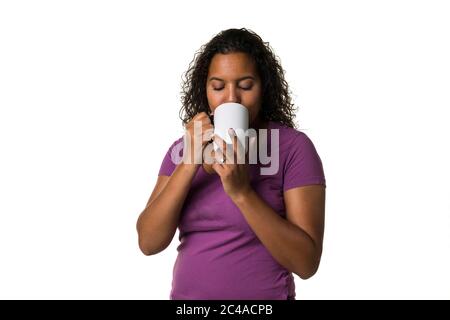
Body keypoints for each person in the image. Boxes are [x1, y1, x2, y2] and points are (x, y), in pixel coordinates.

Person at [136, 28, 326, 300]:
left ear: (264, 88)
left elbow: (306, 263)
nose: (231, 98)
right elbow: (148, 242)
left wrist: (242, 193)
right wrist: (190, 163)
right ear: (205, 91)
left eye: (246, 86)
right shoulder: (181, 150)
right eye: (218, 86)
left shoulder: (292, 148)